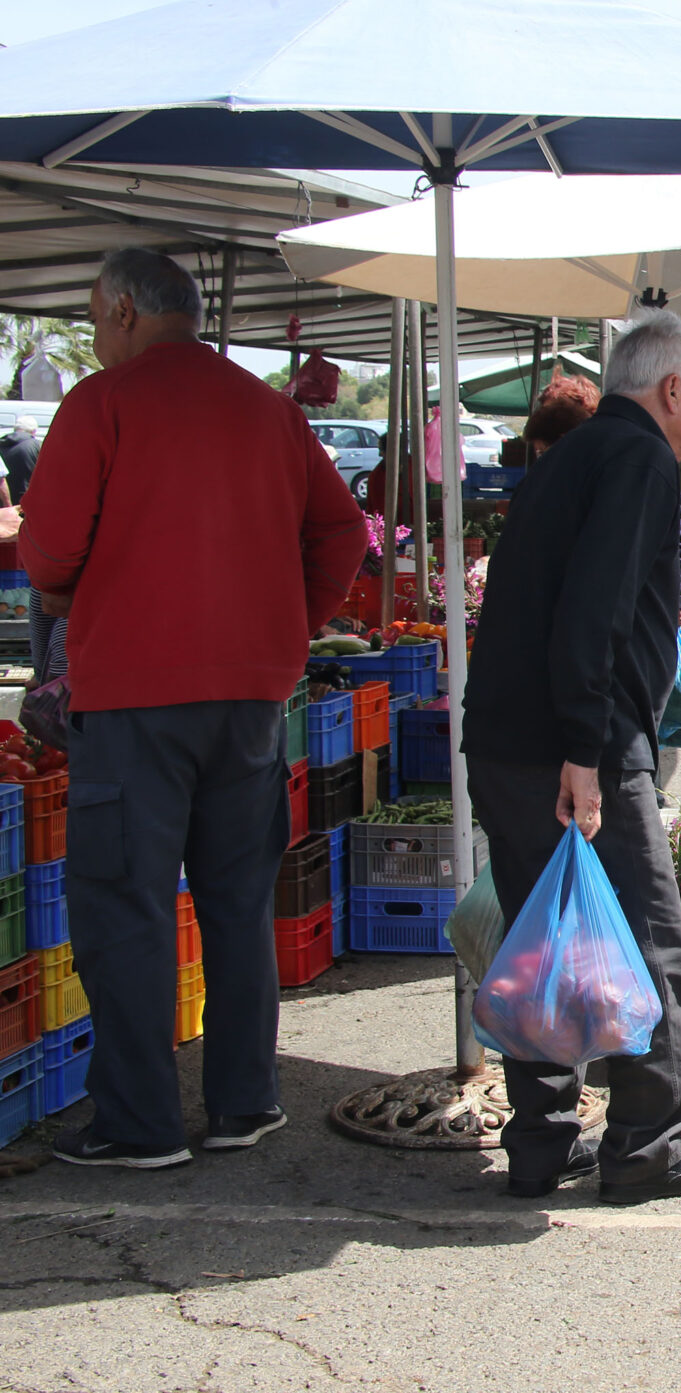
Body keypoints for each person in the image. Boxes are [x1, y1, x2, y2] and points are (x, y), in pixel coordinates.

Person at [20, 247, 366, 1168]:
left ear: (127, 311)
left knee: (126, 904)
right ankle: (245, 1100)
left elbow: (48, 554)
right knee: (237, 898)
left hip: (133, 697)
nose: (95, 339)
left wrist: (77, 589)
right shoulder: (270, 411)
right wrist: (293, 618)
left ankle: (138, 1122)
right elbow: (344, 529)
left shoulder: (103, 405)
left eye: (96, 321)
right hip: (251, 694)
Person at [462, 310, 681, 1205]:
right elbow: (596, 607)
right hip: (573, 745)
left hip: (509, 737)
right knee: (656, 939)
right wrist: (585, 749)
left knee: (540, 940)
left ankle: (541, 1144)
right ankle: (647, 1143)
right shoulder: (640, 458)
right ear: (668, 391)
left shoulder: (575, 454)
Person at [2, 412, 40, 502]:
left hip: (4, 503)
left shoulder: (2, 444)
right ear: (33, 431)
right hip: (26, 501)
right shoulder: (36, 445)